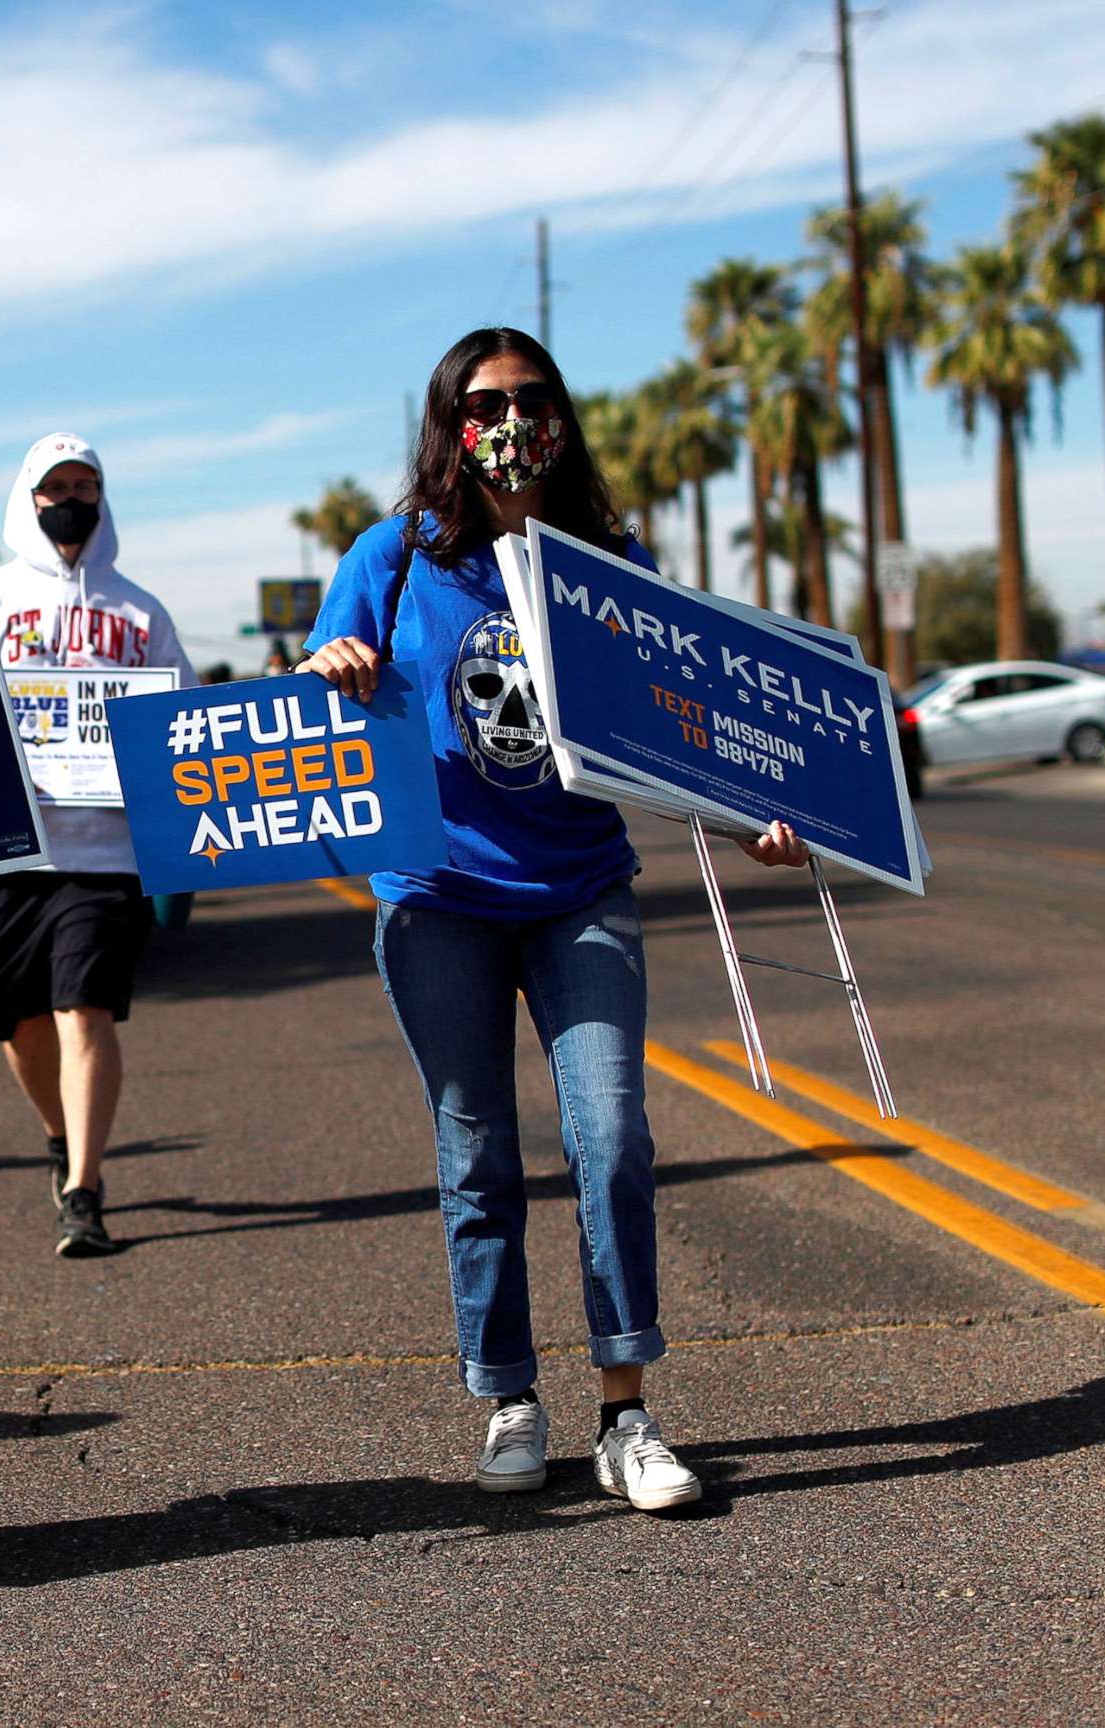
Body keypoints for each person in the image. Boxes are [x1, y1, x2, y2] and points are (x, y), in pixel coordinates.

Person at [299, 329, 807, 1513]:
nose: (511, 418)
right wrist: (332, 662)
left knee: (611, 1137)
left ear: (563, 418)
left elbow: (678, 724)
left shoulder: (606, 560)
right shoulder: (395, 555)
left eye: (532, 399)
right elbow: (325, 688)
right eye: (486, 402)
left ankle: (628, 1414)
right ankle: (509, 1396)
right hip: (439, 903)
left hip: (579, 892)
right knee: (476, 1156)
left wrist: (753, 822)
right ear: (449, 421)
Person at [0, 434, 195, 1257]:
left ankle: (83, 1190)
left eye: (86, 484)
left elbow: (187, 721)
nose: (72, 499)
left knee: (82, 1010)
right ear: (27, 497)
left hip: (106, 853)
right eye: (56, 485)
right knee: (17, 1022)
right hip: (8, 850)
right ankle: (62, 1136)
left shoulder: (142, 611)